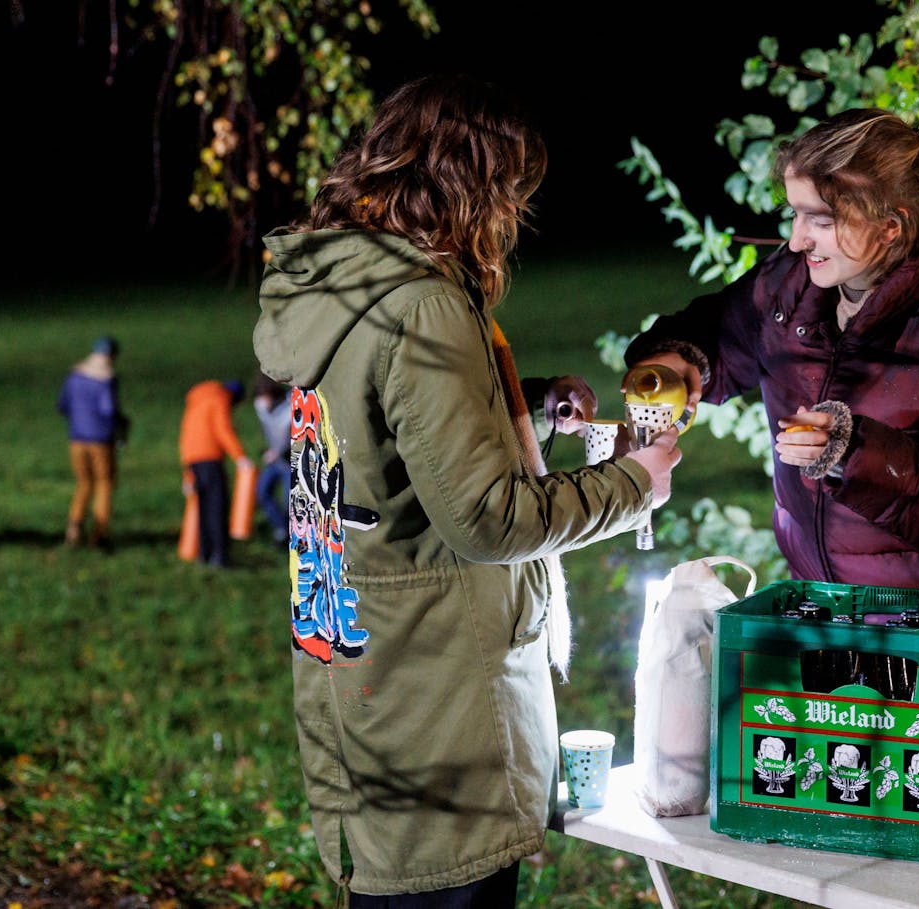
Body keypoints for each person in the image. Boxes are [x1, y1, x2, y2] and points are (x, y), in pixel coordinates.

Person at [251, 73, 681, 907]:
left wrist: (530, 413)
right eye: (509, 189)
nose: (512, 214)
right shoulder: (422, 305)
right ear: (468, 184)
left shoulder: (344, 289)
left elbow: (391, 449)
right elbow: (487, 518)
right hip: (441, 698)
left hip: (368, 672)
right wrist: (636, 483)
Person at [625, 107, 919, 597]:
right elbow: (719, 334)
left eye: (821, 221)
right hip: (835, 615)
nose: (796, 239)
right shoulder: (791, 286)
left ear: (890, 226)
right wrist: (679, 360)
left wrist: (852, 452)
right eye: (795, 213)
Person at [56, 335, 129, 551]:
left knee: (84, 482)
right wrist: (121, 424)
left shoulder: (74, 376)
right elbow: (108, 410)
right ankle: (100, 533)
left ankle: (74, 527)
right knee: (105, 483)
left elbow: (62, 405)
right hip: (101, 440)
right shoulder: (106, 378)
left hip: (77, 438)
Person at [178, 377, 252, 569]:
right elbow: (223, 429)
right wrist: (240, 457)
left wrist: (187, 473)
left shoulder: (197, 400)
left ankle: (204, 554)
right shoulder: (220, 398)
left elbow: (185, 435)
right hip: (210, 459)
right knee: (216, 509)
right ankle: (219, 557)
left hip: (193, 460)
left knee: (202, 509)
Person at [252, 373, 293, 548]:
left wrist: (279, 450)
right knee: (262, 492)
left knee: (288, 501)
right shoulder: (261, 407)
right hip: (274, 462)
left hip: (290, 462)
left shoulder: (289, 407)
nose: (264, 402)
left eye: (266, 397)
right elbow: (267, 430)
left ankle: (291, 536)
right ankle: (281, 529)